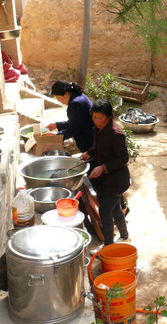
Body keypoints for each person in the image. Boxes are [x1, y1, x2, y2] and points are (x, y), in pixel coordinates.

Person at [80, 99, 130, 250]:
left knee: (105, 210)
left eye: (100, 117)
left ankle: (108, 245)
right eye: (94, 117)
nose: (96, 121)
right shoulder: (98, 129)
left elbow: (123, 158)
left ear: (109, 117)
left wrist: (103, 167)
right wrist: (89, 152)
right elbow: (98, 147)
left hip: (116, 181)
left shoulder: (115, 134)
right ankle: (125, 235)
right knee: (114, 209)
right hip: (105, 181)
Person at [47, 80, 94, 152]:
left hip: (88, 140)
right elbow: (76, 121)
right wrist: (57, 125)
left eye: (58, 97)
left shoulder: (75, 104)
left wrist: (56, 137)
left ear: (66, 94)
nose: (58, 100)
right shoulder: (80, 97)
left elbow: (74, 129)